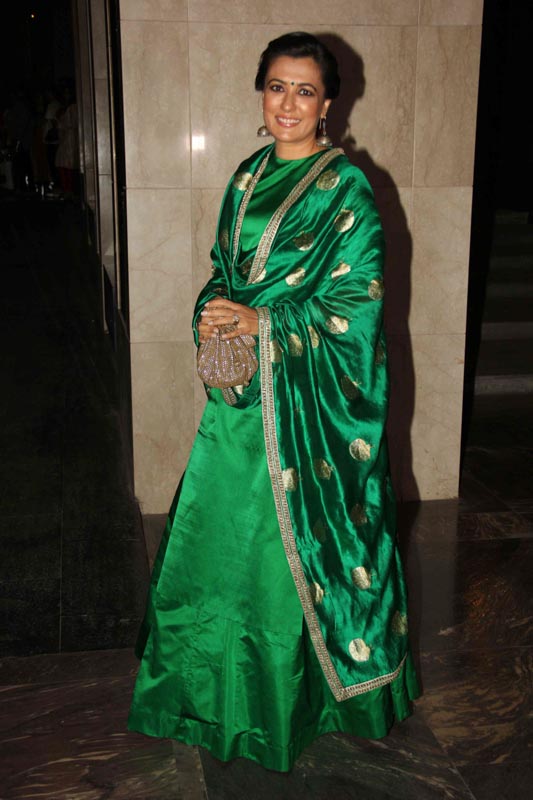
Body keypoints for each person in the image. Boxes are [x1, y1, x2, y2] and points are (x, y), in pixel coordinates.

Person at [128, 31, 419, 772]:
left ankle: (295, 706)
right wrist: (213, 310)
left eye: (304, 90)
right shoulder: (247, 175)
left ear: (328, 104)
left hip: (301, 409)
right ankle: (206, 695)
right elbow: (224, 269)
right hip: (240, 402)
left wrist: (266, 322)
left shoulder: (346, 189)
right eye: (276, 87)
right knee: (217, 544)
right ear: (262, 94)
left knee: (277, 553)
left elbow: (356, 306)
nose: (287, 103)